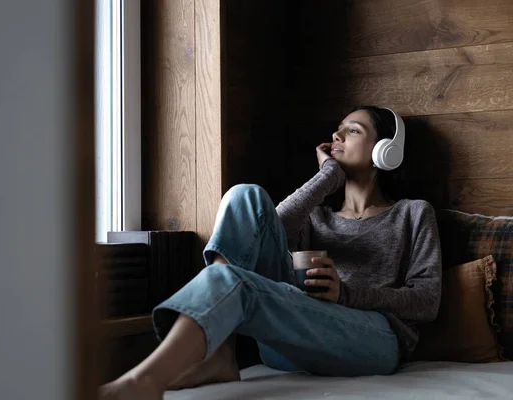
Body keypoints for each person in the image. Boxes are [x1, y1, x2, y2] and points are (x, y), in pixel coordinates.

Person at [100, 105, 442, 400]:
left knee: (235, 281)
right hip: (291, 341)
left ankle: (144, 380)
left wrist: (347, 294)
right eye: (336, 130)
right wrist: (326, 176)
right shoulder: (317, 217)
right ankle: (222, 350)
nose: (336, 136)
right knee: (243, 195)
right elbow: (264, 229)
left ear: (385, 150)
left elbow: (427, 300)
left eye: (352, 131)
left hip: (374, 342)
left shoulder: (412, 213)